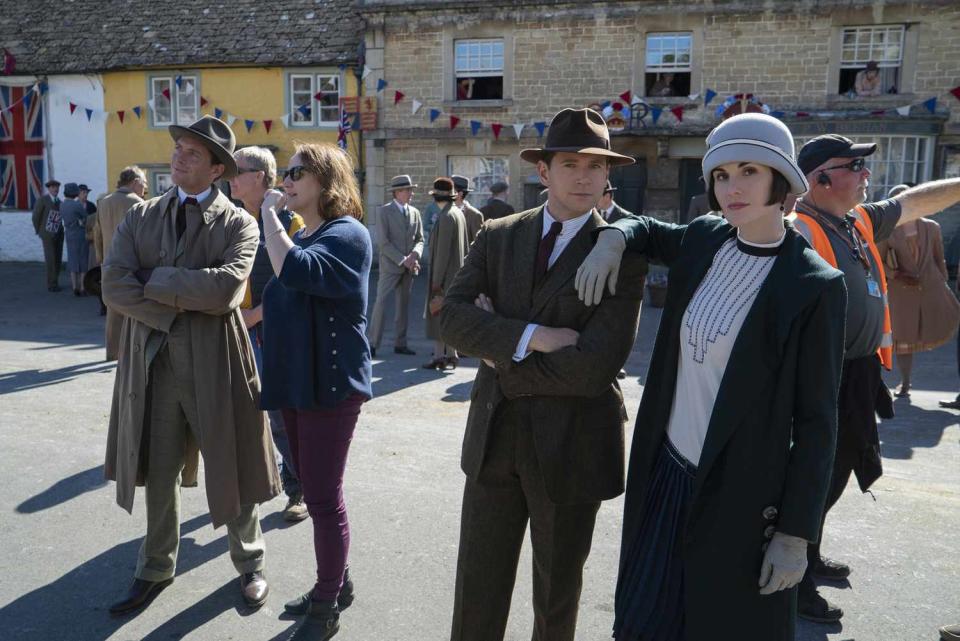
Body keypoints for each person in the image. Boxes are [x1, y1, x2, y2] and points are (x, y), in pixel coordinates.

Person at [576, 112, 846, 641]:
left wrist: (796, 533)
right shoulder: (706, 239)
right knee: (643, 621)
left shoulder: (813, 284)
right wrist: (612, 239)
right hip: (665, 472)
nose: (732, 187)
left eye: (749, 170)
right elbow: (647, 229)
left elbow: (817, 424)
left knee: (716, 624)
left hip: (741, 495)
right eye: (721, 175)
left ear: (781, 180)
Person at [440, 107, 645, 641]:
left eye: (596, 166)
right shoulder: (498, 233)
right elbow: (450, 316)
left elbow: (593, 369)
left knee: (556, 597)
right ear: (543, 171)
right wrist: (535, 338)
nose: (584, 176)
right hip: (494, 440)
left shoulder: (623, 252)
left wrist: (497, 343)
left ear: (607, 176)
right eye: (570, 163)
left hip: (571, 448)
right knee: (477, 588)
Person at [102, 115, 279, 615]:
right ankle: (155, 566)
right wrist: (183, 294)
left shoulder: (240, 222)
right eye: (179, 147)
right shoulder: (142, 216)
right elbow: (113, 284)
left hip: (217, 360)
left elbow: (226, 290)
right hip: (153, 364)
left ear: (218, 169)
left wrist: (152, 279)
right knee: (158, 471)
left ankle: (250, 563)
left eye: (193, 153)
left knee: (232, 463)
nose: (179, 157)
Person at [791, 134, 960, 622]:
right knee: (813, 473)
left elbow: (913, 201)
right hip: (821, 375)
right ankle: (794, 581)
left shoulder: (856, 219)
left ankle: (810, 551)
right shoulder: (798, 228)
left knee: (840, 466)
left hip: (859, 371)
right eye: (855, 167)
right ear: (820, 178)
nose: (867, 176)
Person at [258, 143, 373, 641]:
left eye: (296, 172)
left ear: (326, 180)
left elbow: (296, 272)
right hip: (298, 384)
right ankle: (337, 582)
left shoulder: (348, 234)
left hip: (328, 387)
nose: (285, 179)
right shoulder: (307, 234)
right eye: (285, 172)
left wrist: (268, 216)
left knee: (323, 499)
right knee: (315, 487)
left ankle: (326, 603)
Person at [229, 145, 308, 522]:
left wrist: (255, 315)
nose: (230, 177)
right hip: (237, 330)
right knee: (243, 415)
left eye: (237, 171)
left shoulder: (288, 221)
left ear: (260, 177)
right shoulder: (230, 220)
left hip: (272, 333)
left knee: (280, 416)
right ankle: (258, 484)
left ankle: (298, 489)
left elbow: (294, 281)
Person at [879, 184, 960, 397]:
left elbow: (938, 258)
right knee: (903, 340)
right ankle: (905, 383)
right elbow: (878, 262)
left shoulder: (932, 227)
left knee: (935, 327)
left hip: (930, 288)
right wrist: (897, 275)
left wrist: (942, 284)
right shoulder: (886, 231)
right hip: (901, 291)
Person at [368, 174, 423, 358]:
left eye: (411, 190)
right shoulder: (384, 212)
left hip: (409, 268)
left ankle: (401, 343)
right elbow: (384, 243)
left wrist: (415, 255)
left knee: (403, 306)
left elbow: (420, 239)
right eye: (408, 190)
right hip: (391, 266)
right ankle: (373, 343)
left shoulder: (415, 212)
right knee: (381, 303)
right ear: (398, 192)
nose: (411, 193)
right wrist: (403, 259)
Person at [95, 167, 146, 360]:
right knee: (134, 309)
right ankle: (132, 353)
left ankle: (112, 352)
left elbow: (97, 233)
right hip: (131, 265)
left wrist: (100, 259)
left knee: (113, 311)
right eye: (144, 182)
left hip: (107, 264)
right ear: (134, 182)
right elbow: (144, 238)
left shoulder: (104, 202)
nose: (145, 187)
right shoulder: (138, 204)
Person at [423, 178, 469, 370]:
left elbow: (441, 254)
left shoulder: (445, 217)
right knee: (448, 317)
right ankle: (450, 355)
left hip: (445, 277)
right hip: (456, 274)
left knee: (439, 316)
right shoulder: (457, 213)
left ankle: (441, 356)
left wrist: (436, 282)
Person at [31, 179, 64, 292]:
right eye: (53, 187)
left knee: (57, 258)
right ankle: (52, 284)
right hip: (47, 234)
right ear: (49, 189)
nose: (55, 189)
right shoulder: (43, 200)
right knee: (50, 258)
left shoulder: (59, 202)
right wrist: (39, 231)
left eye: (57, 187)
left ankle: (55, 280)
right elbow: (36, 217)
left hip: (58, 234)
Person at [60, 183, 90, 296]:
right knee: (83, 260)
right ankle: (82, 287)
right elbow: (86, 217)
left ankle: (74, 287)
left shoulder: (62, 205)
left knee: (72, 260)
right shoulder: (76, 205)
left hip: (69, 233)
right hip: (80, 233)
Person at [452, 174, 484, 241]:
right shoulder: (446, 211)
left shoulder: (474, 215)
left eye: (450, 191)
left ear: (459, 194)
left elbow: (478, 243)